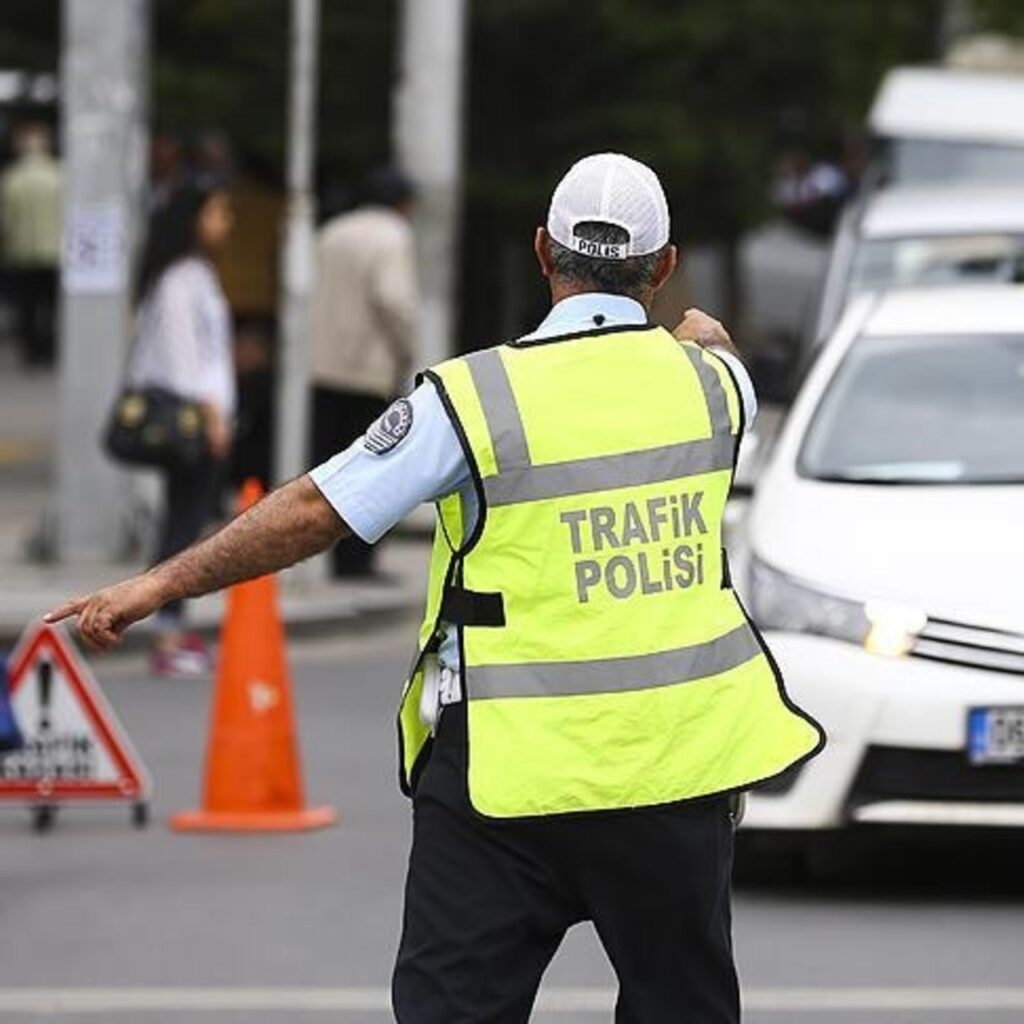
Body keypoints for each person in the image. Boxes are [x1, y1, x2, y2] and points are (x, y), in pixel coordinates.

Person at [49, 153, 825, 1022]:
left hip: (505, 781)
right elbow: (713, 351)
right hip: (675, 774)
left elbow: (316, 508)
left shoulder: (473, 398)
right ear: (666, 265)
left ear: (543, 252)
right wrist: (698, 337)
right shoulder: (718, 389)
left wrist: (157, 584)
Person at [126, 181, 237, 677]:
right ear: (193, 218)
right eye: (217, 212)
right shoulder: (179, 279)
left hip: (203, 416)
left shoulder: (195, 273)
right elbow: (183, 359)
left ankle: (172, 623)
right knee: (183, 524)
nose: (225, 222)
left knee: (186, 519)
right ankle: (167, 629)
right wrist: (212, 416)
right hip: (192, 420)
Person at [309, 165, 419, 578]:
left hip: (323, 365)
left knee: (330, 465)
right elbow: (393, 299)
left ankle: (332, 556)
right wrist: (406, 350)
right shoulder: (393, 237)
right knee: (372, 469)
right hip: (369, 370)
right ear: (404, 203)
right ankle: (358, 561)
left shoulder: (332, 232)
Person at [0, 121, 62, 368]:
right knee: (50, 304)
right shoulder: (59, 175)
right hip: (54, 250)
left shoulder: (11, 178)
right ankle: (49, 347)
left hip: (22, 250)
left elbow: (5, 218)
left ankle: (32, 349)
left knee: (27, 304)